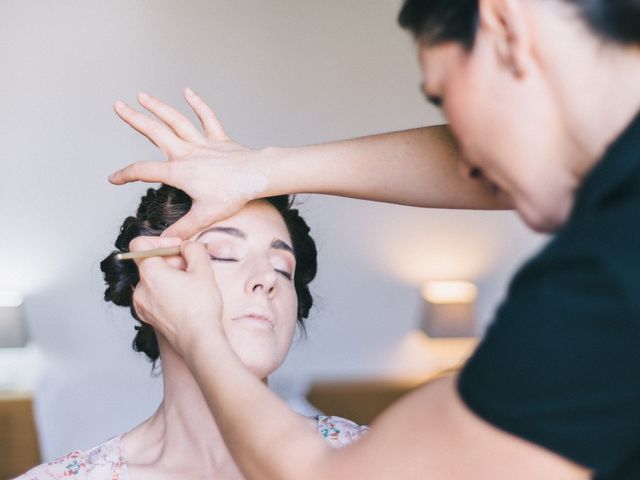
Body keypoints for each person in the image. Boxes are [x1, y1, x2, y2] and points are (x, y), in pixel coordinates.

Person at [107, 0, 640, 478]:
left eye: (442, 99)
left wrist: (199, 331)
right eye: (223, 254)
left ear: (505, 23)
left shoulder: (610, 280)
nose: (469, 162)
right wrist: (260, 171)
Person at [14, 186, 367, 479]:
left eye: (282, 268)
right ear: (151, 288)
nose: (267, 277)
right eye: (223, 255)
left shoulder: (370, 458)